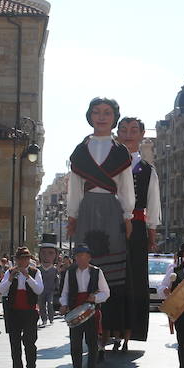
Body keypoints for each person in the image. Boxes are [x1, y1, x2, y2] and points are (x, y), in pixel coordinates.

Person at [66, 97, 134, 350]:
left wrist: (127, 215)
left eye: (107, 112)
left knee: (113, 272)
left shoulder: (120, 152)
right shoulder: (80, 151)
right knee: (87, 264)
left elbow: (126, 186)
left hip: (111, 209)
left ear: (114, 117)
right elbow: (74, 187)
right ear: (90, 116)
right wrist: (72, 215)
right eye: (97, 112)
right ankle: (88, 326)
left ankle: (109, 328)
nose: (102, 117)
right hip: (86, 209)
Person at [117, 116, 159, 351]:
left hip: (138, 226)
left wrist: (152, 233)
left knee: (134, 278)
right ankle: (108, 328)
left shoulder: (147, 170)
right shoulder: (109, 166)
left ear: (142, 135)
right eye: (123, 130)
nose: (128, 134)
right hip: (112, 225)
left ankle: (131, 329)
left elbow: (152, 204)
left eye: (134, 130)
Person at [60, 244, 109, 368]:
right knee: (75, 346)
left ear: (89, 257)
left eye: (83, 256)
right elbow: (65, 292)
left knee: (92, 343)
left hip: (91, 312)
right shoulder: (70, 272)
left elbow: (106, 292)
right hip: (75, 312)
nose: (80, 259)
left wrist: (95, 298)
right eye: (77, 256)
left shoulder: (96, 272)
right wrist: (63, 304)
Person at [0, 247, 44, 368]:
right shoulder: (9, 272)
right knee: (15, 346)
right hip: (14, 313)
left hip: (30, 313)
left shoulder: (35, 272)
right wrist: (10, 279)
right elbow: (2, 290)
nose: (22, 261)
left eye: (25, 258)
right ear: (16, 260)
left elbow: (39, 289)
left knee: (30, 343)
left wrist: (27, 277)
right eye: (20, 258)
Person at [38, 244, 61, 326]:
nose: (46, 256)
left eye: (51, 253)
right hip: (41, 290)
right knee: (41, 304)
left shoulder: (54, 269)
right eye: (43, 253)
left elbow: (57, 279)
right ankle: (44, 319)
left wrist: (57, 287)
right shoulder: (38, 269)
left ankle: (51, 318)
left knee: (50, 303)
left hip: (50, 290)